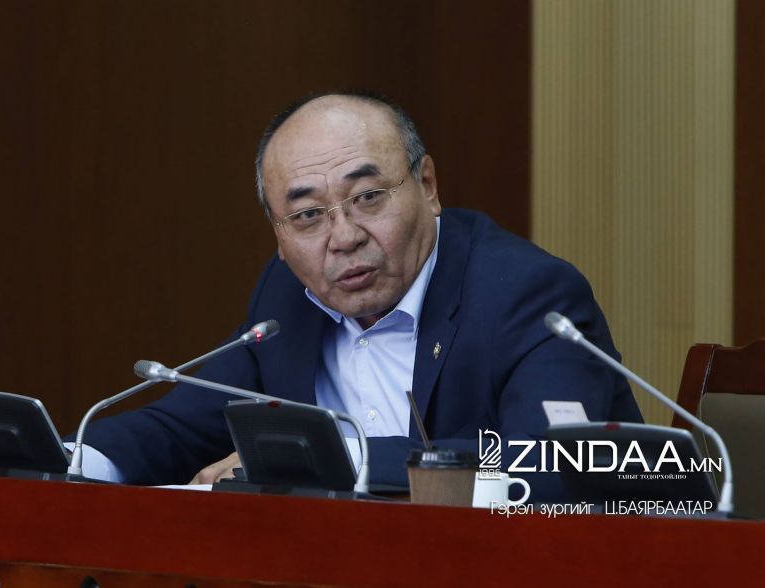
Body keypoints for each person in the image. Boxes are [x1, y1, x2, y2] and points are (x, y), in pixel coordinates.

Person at [79, 91, 643, 502]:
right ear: (278, 236)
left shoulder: (527, 293)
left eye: (368, 197)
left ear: (427, 186)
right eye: (307, 215)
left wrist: (335, 458)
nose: (343, 237)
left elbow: (552, 462)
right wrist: (74, 459)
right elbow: (184, 423)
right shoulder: (287, 296)